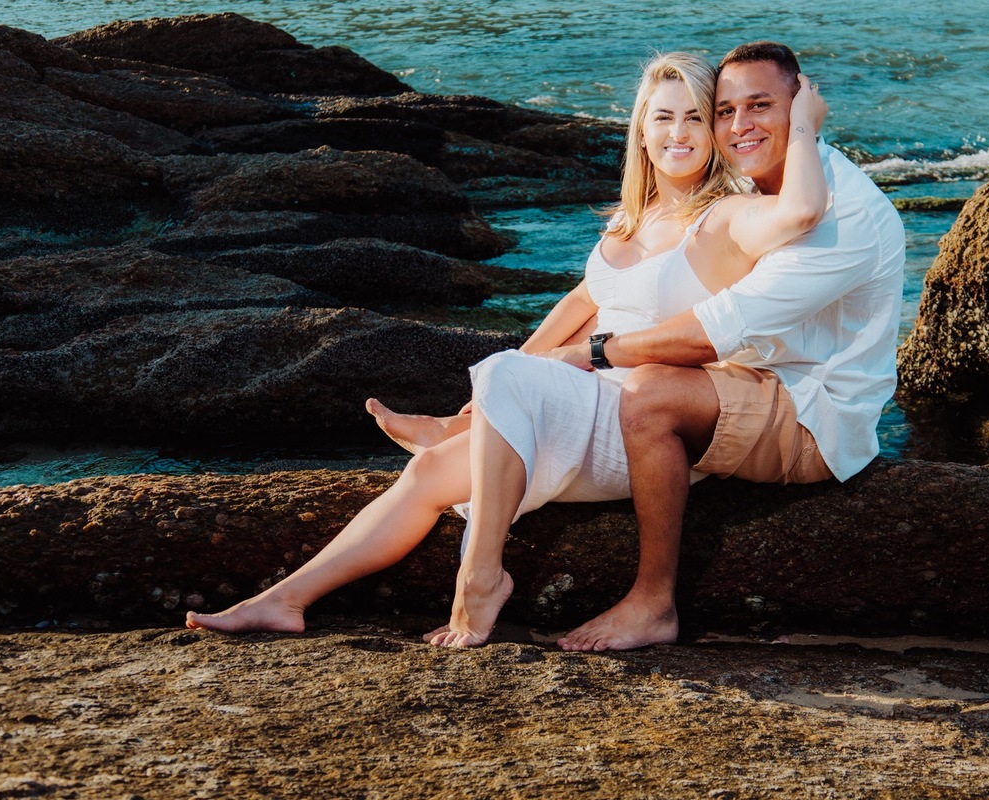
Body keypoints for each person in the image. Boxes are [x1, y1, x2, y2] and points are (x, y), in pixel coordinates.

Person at [184, 51, 828, 643]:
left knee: (505, 376)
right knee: (431, 471)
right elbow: (585, 298)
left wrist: (802, 125)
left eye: (695, 117)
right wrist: (499, 387)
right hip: (588, 406)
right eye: (662, 118)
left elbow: (800, 212)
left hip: (648, 421)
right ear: (640, 131)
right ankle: (283, 600)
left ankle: (481, 577)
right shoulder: (639, 216)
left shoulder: (722, 217)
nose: (678, 133)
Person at [540, 42, 906, 652]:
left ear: (803, 106)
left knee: (649, 391)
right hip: (746, 374)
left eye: (760, 106)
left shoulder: (846, 220)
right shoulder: (746, 179)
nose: (740, 125)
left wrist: (597, 352)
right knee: (621, 341)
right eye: (726, 109)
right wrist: (525, 364)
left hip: (812, 407)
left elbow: (718, 327)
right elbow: (607, 286)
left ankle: (653, 602)